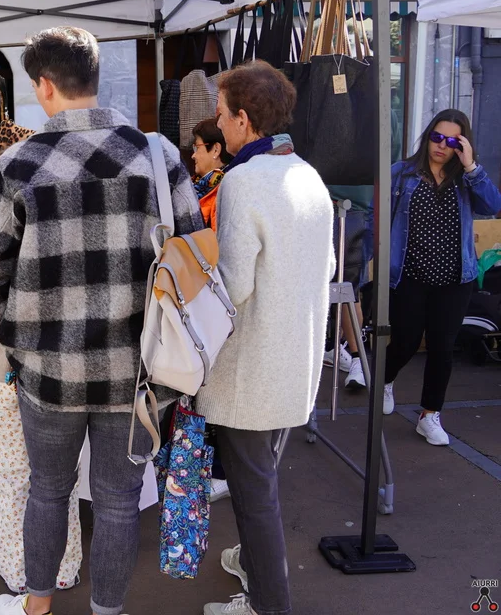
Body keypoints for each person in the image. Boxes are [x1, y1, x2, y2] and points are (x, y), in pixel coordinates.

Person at [0, 26, 203, 615]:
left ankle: (37, 606)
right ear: (95, 79)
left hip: (49, 372)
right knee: (119, 501)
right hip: (140, 371)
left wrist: (9, 336)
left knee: (48, 490)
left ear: (44, 85)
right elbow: (195, 258)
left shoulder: (18, 164)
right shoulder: (159, 156)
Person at [196, 60, 334, 615]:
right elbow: (325, 267)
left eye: (221, 113)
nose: (217, 123)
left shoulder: (243, 180)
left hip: (250, 368)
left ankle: (266, 604)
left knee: (256, 496)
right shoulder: (307, 173)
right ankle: (255, 565)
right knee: (261, 482)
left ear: (243, 119)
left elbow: (234, 285)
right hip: (294, 358)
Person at [0, 282, 83, 595]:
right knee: (61, 480)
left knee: (13, 479)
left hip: (10, 375)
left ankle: (18, 573)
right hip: (61, 373)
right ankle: (64, 570)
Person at [384, 109, 501, 445]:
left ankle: (430, 414)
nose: (441, 146)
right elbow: (380, 218)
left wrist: (471, 166)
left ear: (461, 145)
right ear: (428, 136)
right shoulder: (401, 174)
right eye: (437, 137)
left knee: (442, 347)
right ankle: (386, 381)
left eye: (451, 141)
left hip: (455, 278)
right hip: (410, 275)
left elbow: (492, 205)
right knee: (405, 341)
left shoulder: (466, 177)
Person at [323, 184, 373, 389]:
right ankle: (333, 349)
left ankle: (355, 359)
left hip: (359, 214)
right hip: (322, 208)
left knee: (349, 290)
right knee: (324, 288)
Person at [192, 117, 232, 229]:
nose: (193, 156)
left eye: (197, 148)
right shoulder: (199, 185)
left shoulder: (224, 192)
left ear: (216, 150)